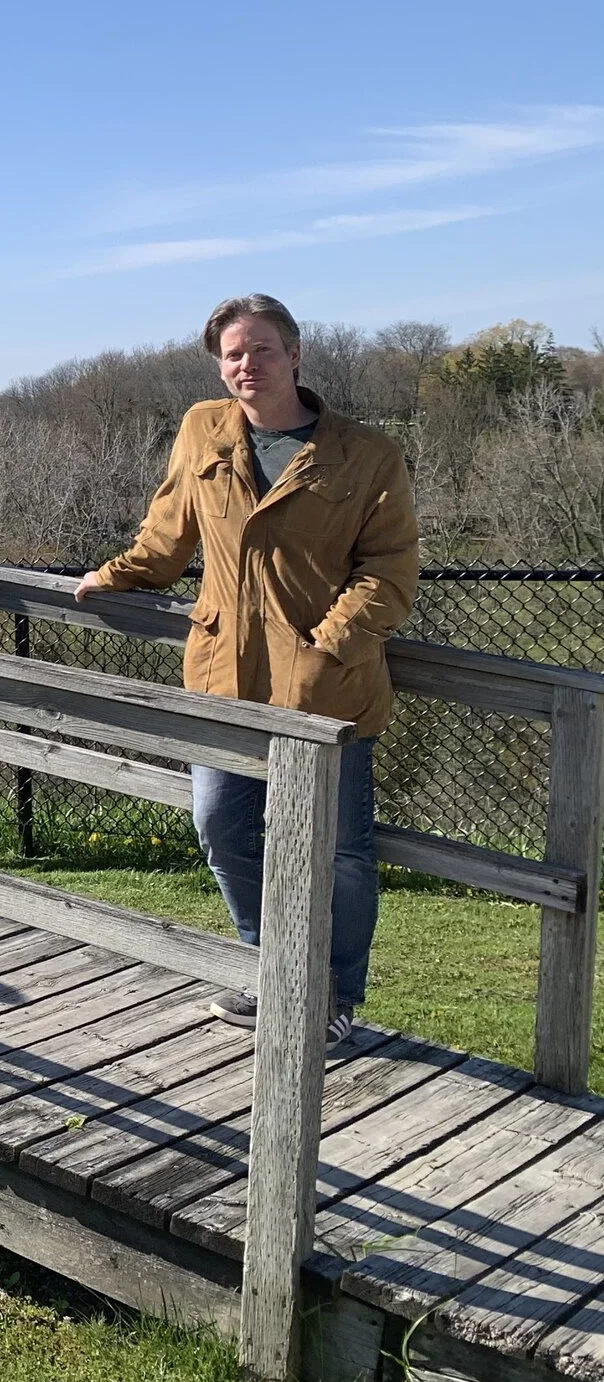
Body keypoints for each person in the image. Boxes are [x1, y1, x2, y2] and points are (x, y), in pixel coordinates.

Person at [77, 294, 416, 1049]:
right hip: (224, 677)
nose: (245, 364)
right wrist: (115, 574)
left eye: (261, 349)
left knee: (341, 851)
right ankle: (272, 967)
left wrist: (327, 645)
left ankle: (331, 994)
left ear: (295, 354)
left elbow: (390, 570)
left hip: (328, 689)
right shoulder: (204, 429)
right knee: (223, 824)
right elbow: (168, 535)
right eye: (232, 353)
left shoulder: (365, 454)